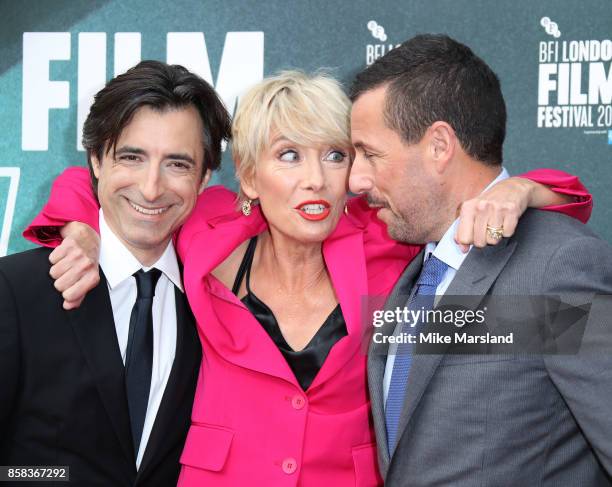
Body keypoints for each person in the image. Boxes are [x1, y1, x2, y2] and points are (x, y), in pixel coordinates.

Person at [23, 70, 592, 485]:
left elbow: (554, 329)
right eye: (288, 155)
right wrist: (76, 227)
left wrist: (522, 190)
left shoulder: (387, 252)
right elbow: (119, 184)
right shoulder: (208, 234)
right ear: (247, 176)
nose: (315, 180)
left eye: (335, 155)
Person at [349, 34, 612, 486]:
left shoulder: (557, 267)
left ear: (439, 145)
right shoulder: (414, 277)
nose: (355, 179)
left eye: (371, 154)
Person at [0, 60, 231, 486]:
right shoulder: (14, 291)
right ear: (96, 161)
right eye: (131, 157)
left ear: (204, 179)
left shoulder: (217, 302)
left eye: (177, 164)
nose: (150, 187)